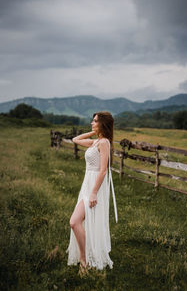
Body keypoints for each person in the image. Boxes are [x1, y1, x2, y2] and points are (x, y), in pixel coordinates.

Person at [66, 111, 118, 276]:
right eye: (92, 120)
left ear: (103, 124)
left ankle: (84, 262)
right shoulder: (96, 141)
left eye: (95, 121)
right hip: (87, 184)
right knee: (76, 222)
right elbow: (75, 140)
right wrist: (94, 132)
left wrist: (94, 192)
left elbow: (103, 171)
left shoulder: (104, 143)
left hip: (94, 185)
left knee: (74, 222)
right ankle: (85, 258)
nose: (91, 123)